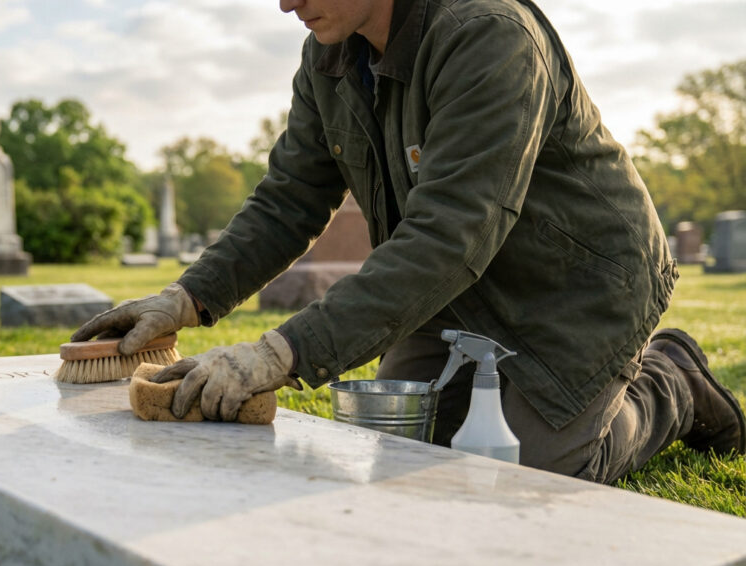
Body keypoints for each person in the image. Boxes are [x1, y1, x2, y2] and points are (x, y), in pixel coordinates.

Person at [72, 0, 745, 483]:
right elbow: (288, 199)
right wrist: (186, 299)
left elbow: (452, 232)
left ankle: (673, 383)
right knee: (402, 449)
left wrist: (284, 351)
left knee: (530, 471)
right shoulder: (327, 58)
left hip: (576, 284)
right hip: (452, 293)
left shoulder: (489, 34)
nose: (284, 5)